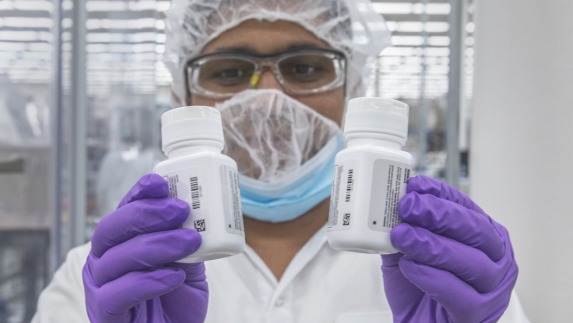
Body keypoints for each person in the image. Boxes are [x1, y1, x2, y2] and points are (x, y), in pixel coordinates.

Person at [32, 0, 529, 322]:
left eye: (305, 67)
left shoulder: (445, 274)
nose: (269, 98)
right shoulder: (107, 283)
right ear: (182, 97)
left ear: (354, 87)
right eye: (229, 72)